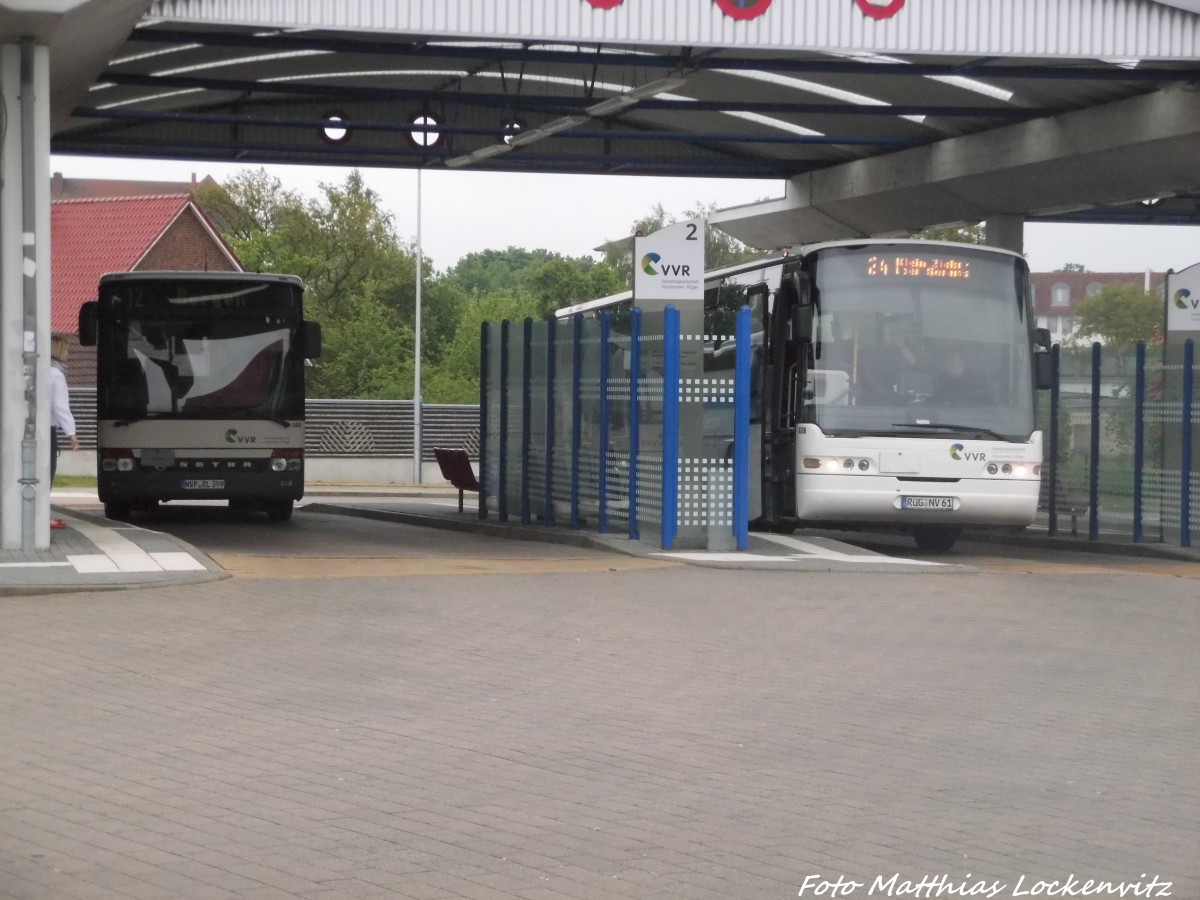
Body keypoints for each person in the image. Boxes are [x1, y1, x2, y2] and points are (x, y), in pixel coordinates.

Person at [49, 334, 79, 529]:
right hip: (47, 430)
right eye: (66, 350)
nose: (68, 353)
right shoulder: (56, 375)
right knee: (47, 473)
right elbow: (61, 407)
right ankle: (43, 516)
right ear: (58, 351)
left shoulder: (33, 370)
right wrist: (72, 434)